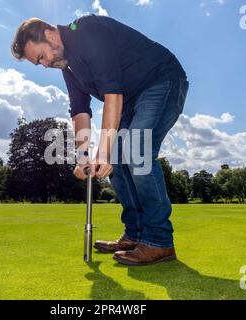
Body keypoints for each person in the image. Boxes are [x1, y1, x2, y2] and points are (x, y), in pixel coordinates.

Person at [11, 14, 189, 266]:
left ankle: (160, 242)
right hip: (129, 100)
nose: (44, 65)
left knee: (136, 150)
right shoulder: (68, 68)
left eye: (41, 57)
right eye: (38, 63)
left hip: (161, 81)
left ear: (50, 35)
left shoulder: (88, 31)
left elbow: (112, 95)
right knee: (117, 161)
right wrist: (84, 156)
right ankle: (135, 234)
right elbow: (80, 112)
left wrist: (101, 153)